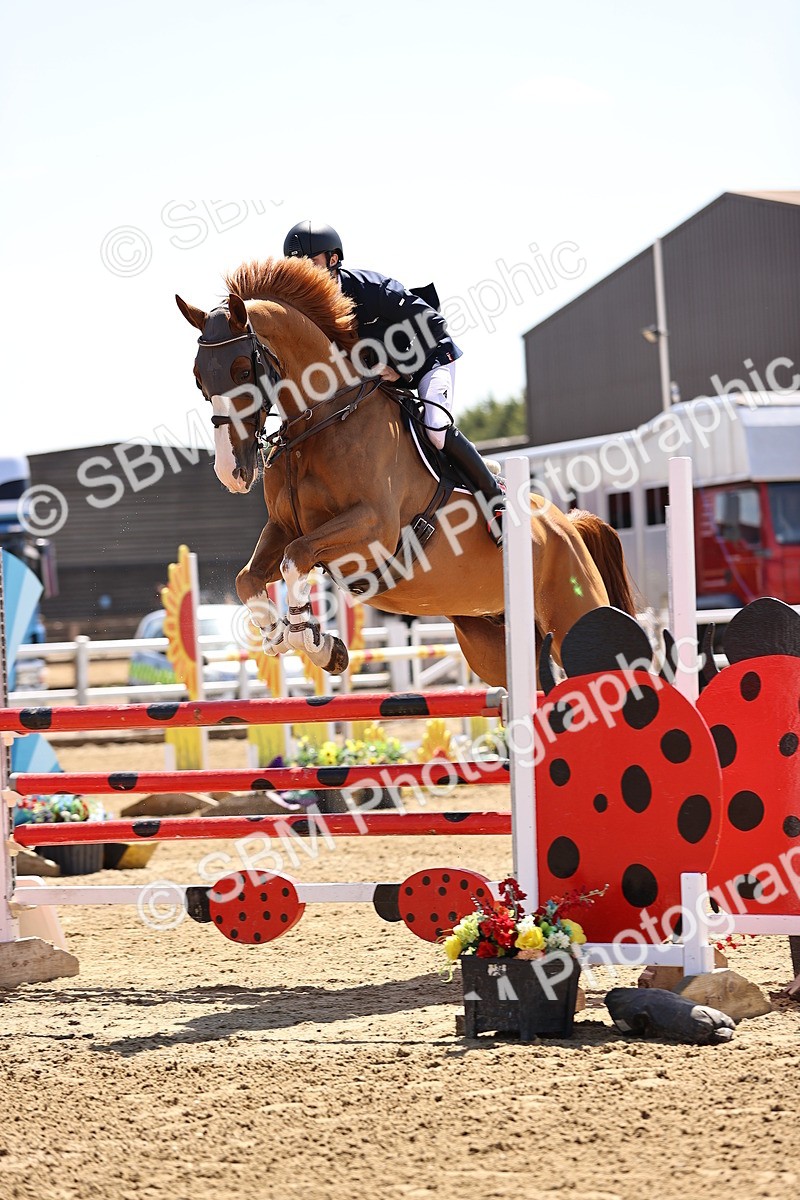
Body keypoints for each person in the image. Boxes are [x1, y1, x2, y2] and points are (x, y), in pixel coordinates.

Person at [283, 220, 504, 546]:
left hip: (430, 359)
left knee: (436, 430)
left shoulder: (371, 290)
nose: (303, 271)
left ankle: (495, 501)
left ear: (333, 259)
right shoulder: (311, 310)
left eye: (310, 262)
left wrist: (401, 367)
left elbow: (433, 324)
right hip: (380, 381)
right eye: (295, 265)